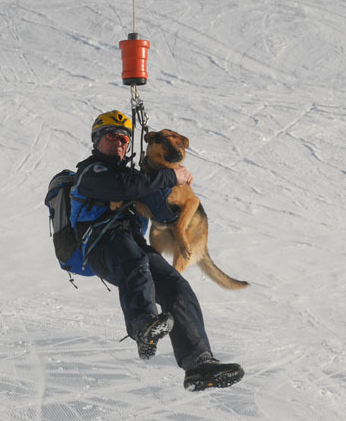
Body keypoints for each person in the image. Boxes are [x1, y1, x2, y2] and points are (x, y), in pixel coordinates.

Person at [71, 109, 244, 391]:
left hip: (130, 245)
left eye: (125, 138)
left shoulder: (132, 174)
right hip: (101, 244)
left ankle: (199, 364)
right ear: (97, 140)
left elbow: (157, 204)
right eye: (111, 136)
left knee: (176, 286)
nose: (119, 142)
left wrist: (176, 192)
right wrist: (169, 177)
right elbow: (124, 186)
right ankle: (142, 324)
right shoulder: (91, 171)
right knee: (135, 260)